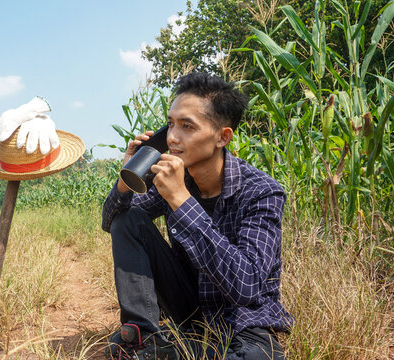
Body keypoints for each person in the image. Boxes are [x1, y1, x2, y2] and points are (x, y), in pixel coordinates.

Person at [101, 72, 293, 359]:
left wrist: (181, 200)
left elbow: (247, 287)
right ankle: (146, 338)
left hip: (242, 320)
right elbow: (113, 222)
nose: (172, 138)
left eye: (187, 127)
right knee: (129, 218)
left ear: (222, 137)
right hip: (189, 310)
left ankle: (184, 351)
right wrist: (126, 179)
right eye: (170, 124)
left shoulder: (262, 191)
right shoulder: (171, 179)